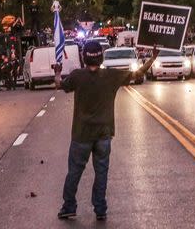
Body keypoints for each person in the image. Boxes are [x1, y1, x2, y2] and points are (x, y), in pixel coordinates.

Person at [54, 41, 159, 221]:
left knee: (74, 172)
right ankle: (100, 208)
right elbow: (139, 74)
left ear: (83, 57)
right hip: (104, 134)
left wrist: (57, 71)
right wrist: (153, 57)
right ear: (101, 57)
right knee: (101, 172)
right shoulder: (111, 75)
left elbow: (59, 85)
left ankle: (69, 206)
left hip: (81, 135)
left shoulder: (77, 76)